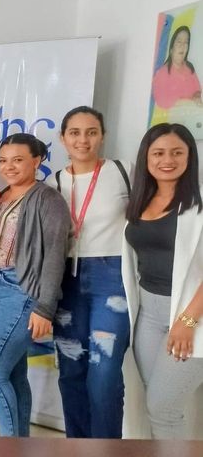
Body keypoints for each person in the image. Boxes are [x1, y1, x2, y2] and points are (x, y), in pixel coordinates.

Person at [0, 133, 70, 437]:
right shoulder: (2, 194)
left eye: (18, 160)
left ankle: (9, 446)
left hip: (22, 290)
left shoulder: (48, 199)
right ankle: (21, 444)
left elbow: (55, 254)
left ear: (37, 160)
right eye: (3, 160)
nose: (9, 166)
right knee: (14, 374)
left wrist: (45, 308)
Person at [50, 106, 132, 439]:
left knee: (105, 372)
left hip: (112, 278)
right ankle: (77, 445)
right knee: (71, 369)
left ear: (102, 136)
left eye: (91, 132)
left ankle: (106, 448)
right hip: (67, 280)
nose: (83, 140)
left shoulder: (123, 171)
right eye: (75, 132)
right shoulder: (54, 181)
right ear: (63, 138)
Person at [123, 123, 203, 439]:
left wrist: (187, 321)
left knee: (163, 408)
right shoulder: (139, 201)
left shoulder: (199, 204)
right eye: (158, 153)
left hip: (191, 315)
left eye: (176, 152)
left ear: (189, 157)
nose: (167, 160)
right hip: (148, 313)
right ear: (146, 157)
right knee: (155, 401)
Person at [152, 26, 202, 110]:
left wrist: (196, 96)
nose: (183, 46)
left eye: (186, 42)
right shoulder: (162, 73)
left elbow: (198, 90)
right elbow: (161, 103)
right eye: (179, 41)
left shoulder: (190, 68)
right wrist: (186, 102)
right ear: (171, 49)